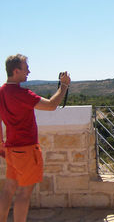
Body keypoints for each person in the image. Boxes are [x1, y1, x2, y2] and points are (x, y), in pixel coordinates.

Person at [0, 54, 71, 222]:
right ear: (16, 71)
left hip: (11, 148)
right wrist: (64, 86)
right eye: (26, 69)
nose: (29, 72)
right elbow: (51, 105)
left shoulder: (1, 91)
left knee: (9, 188)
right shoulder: (21, 93)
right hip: (26, 149)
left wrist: (1, 144)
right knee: (24, 193)